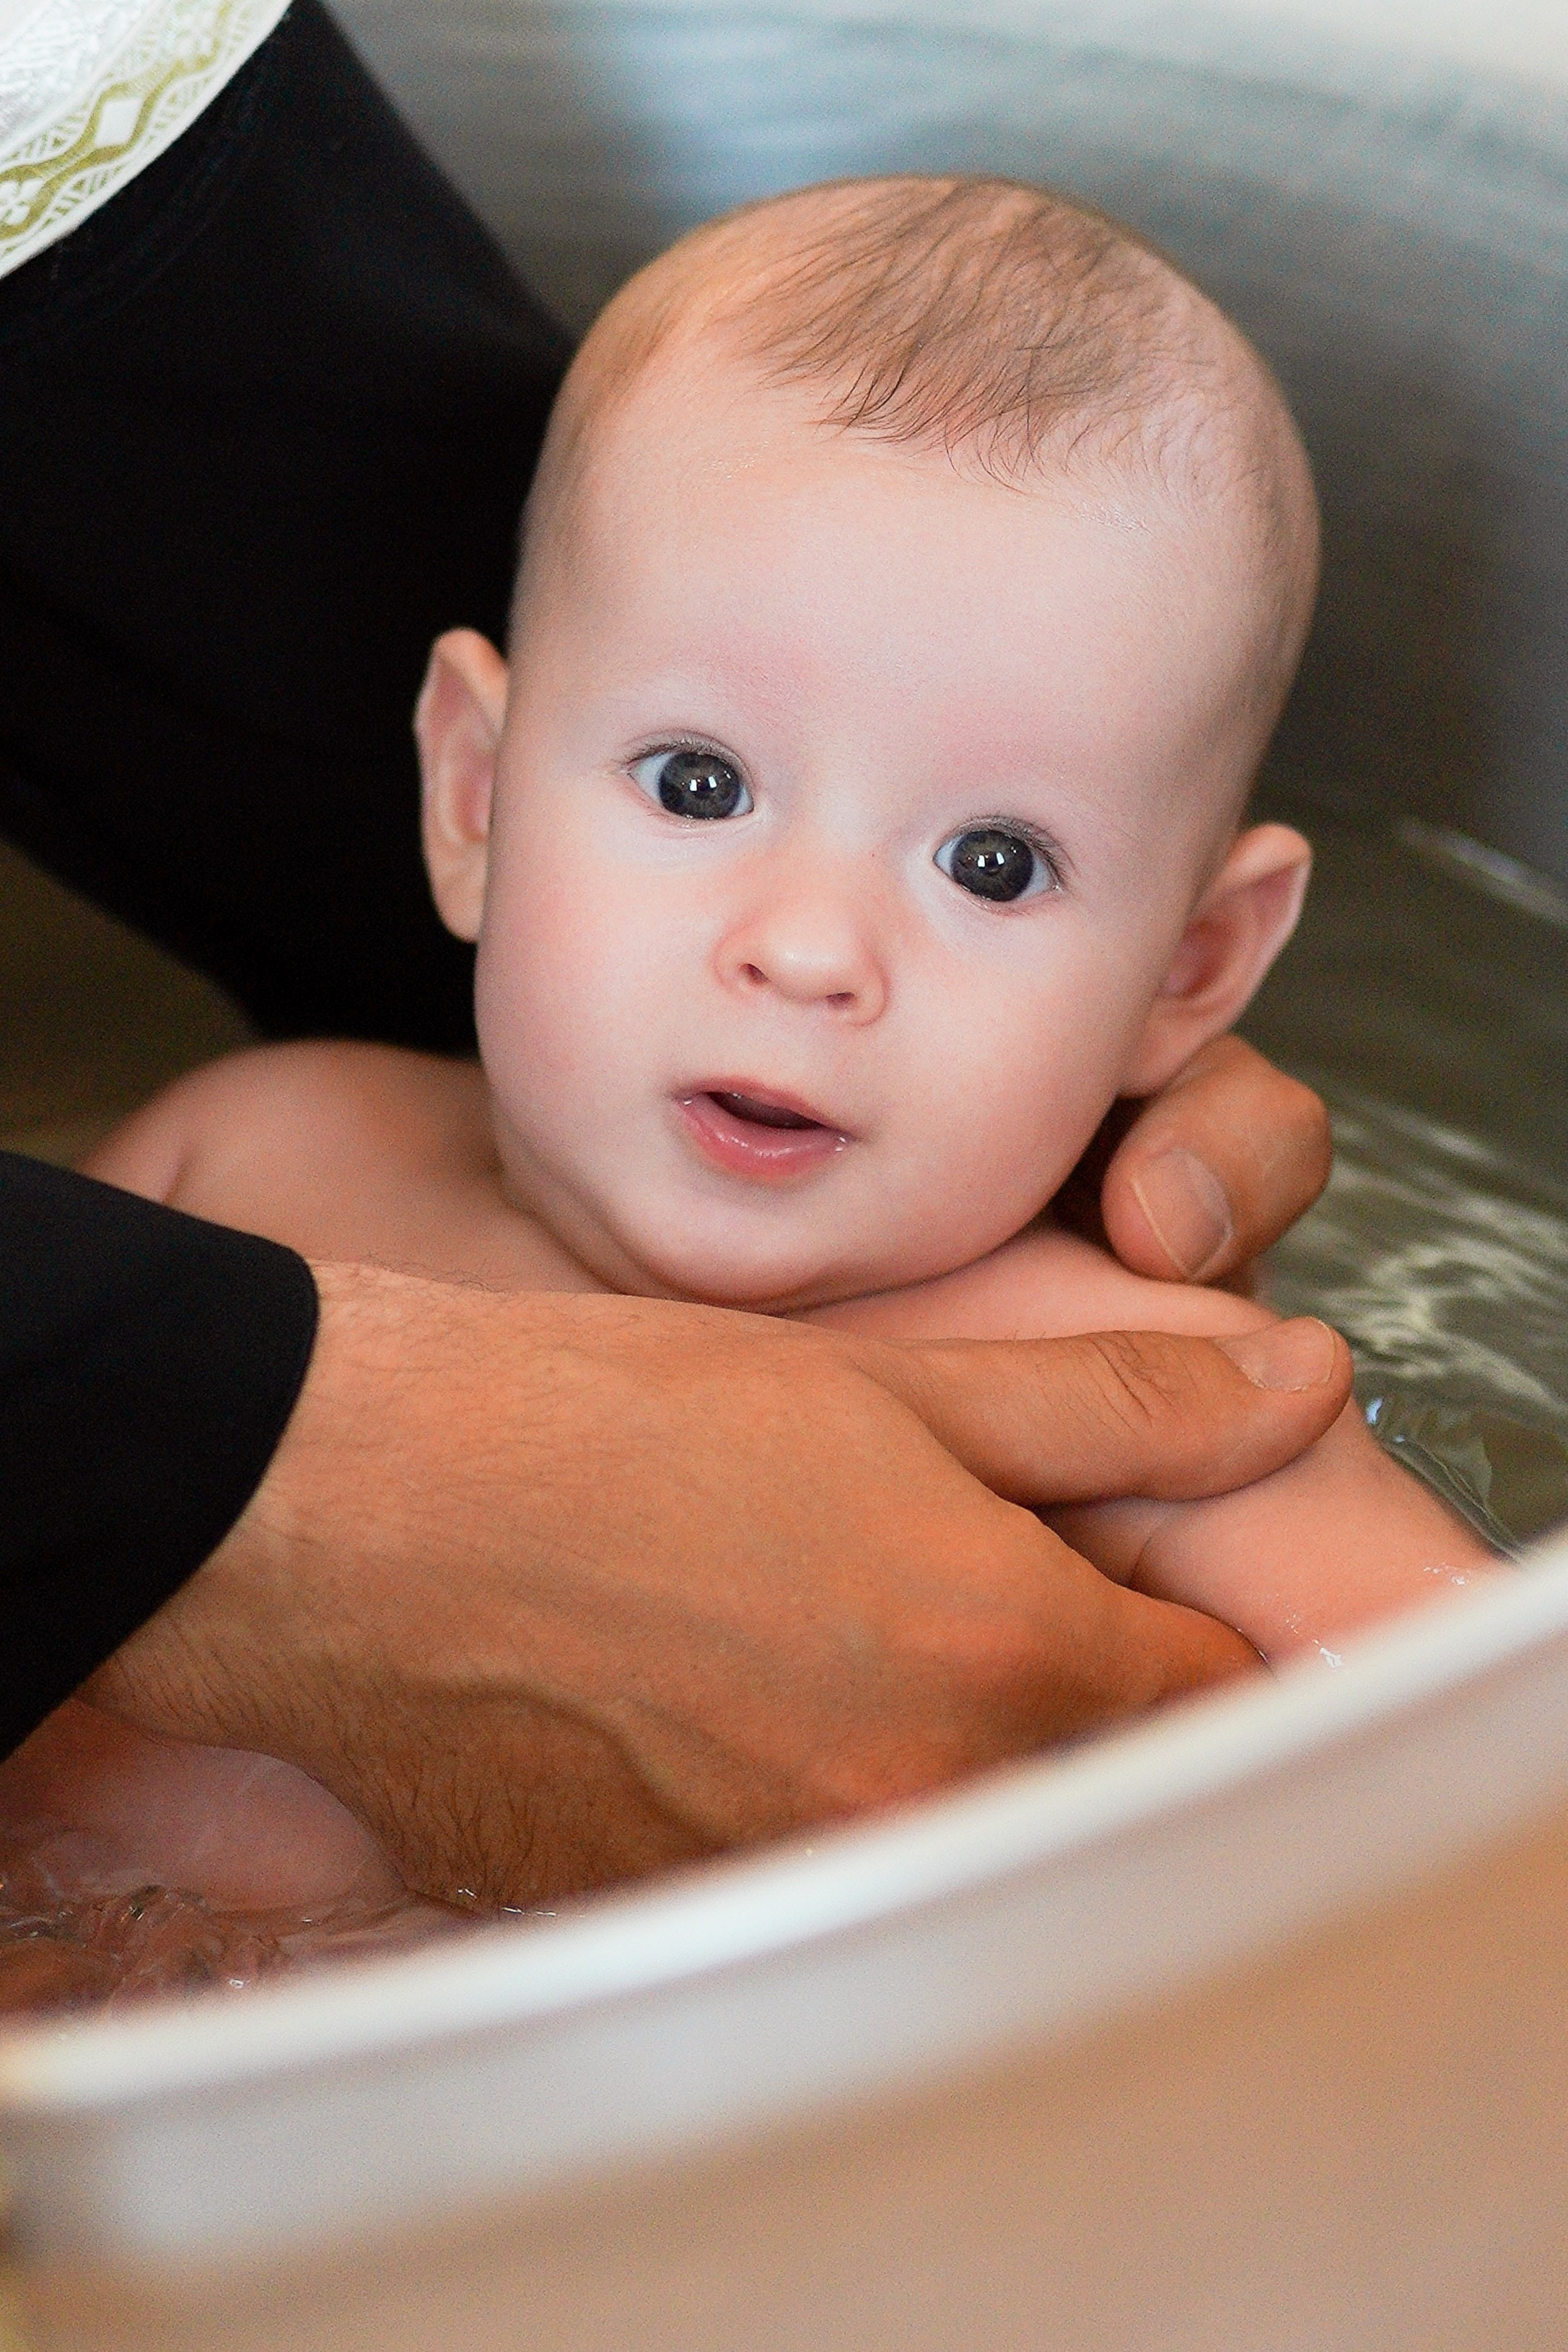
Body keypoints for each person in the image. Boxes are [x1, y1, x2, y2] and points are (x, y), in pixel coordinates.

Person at [3, 174, 1490, 1930]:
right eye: (697, 784)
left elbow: (1486, 1801)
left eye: (992, 864)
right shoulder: (237, 1157)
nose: (806, 949)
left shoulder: (1150, 1408)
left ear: (1189, 970)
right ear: (473, 795)